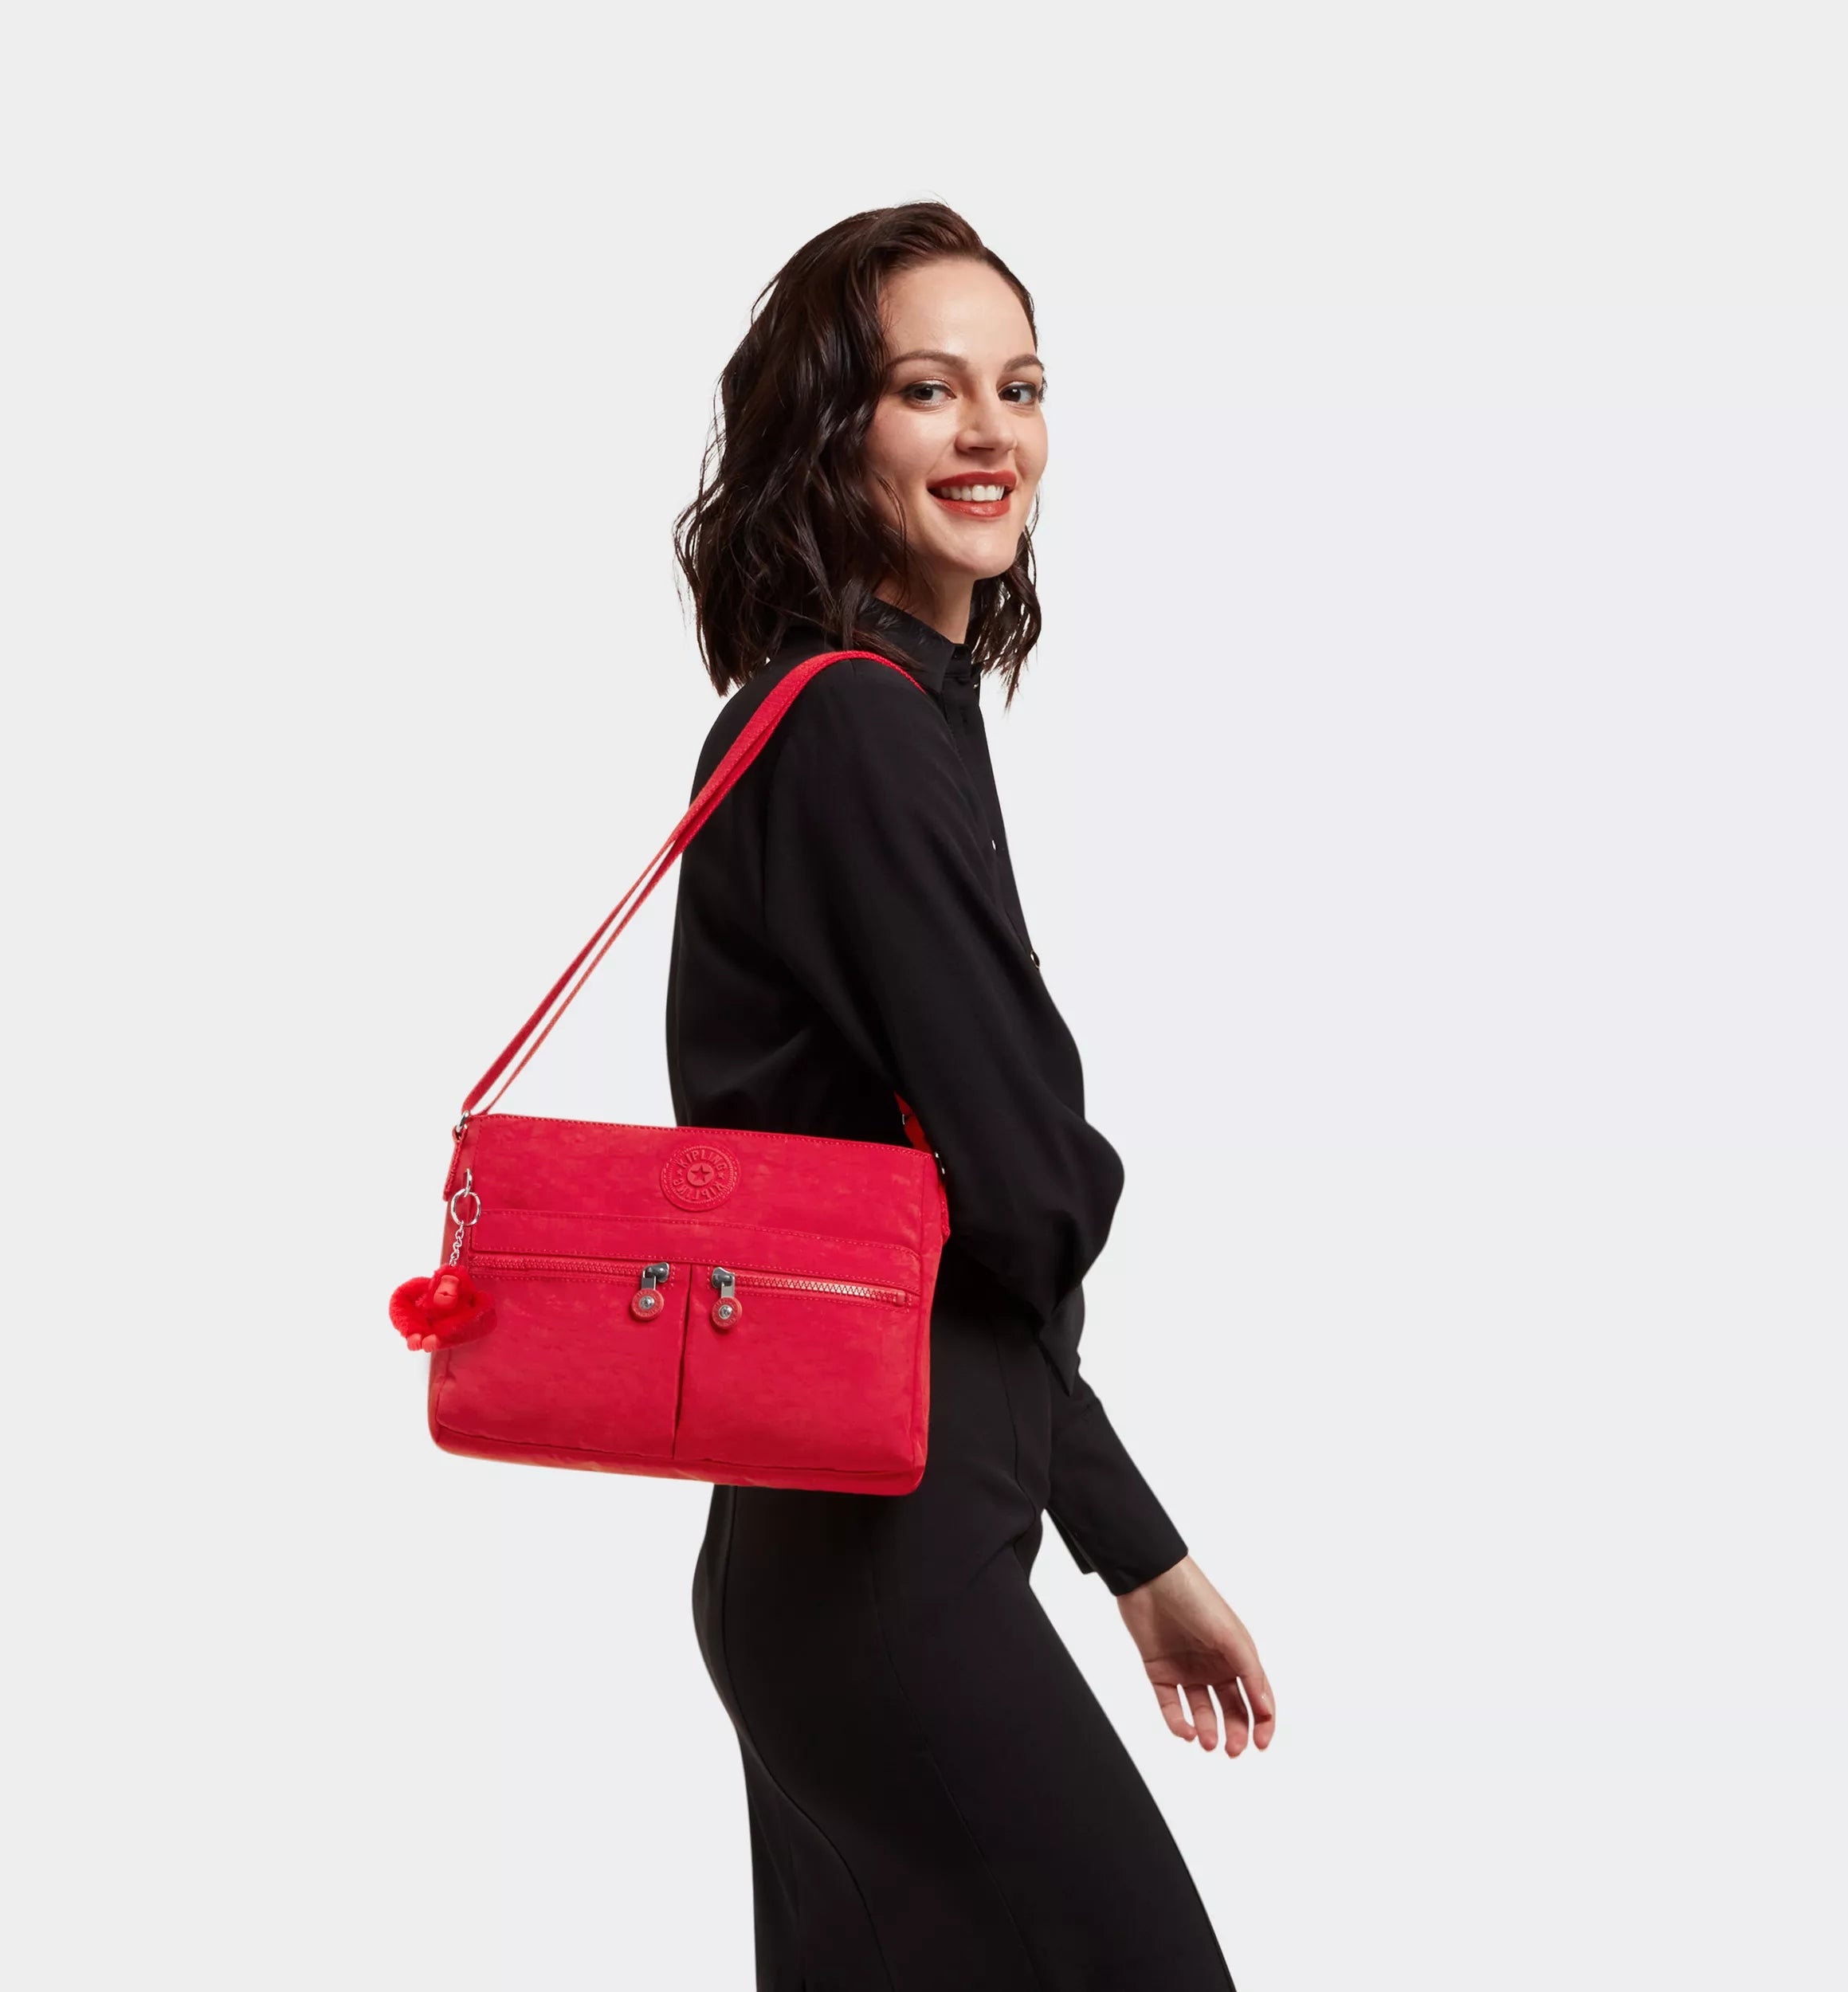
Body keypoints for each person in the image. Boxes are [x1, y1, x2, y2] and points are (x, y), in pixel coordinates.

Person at [665, 202, 1274, 1990]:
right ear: (827, 429)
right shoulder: (853, 726)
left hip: (845, 1555)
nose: (990, 431)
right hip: (886, 1573)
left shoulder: (878, 717)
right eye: (927, 389)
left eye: (1019, 386)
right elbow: (1023, 1197)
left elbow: (944, 1244)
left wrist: (1132, 1549)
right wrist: (1072, 1160)